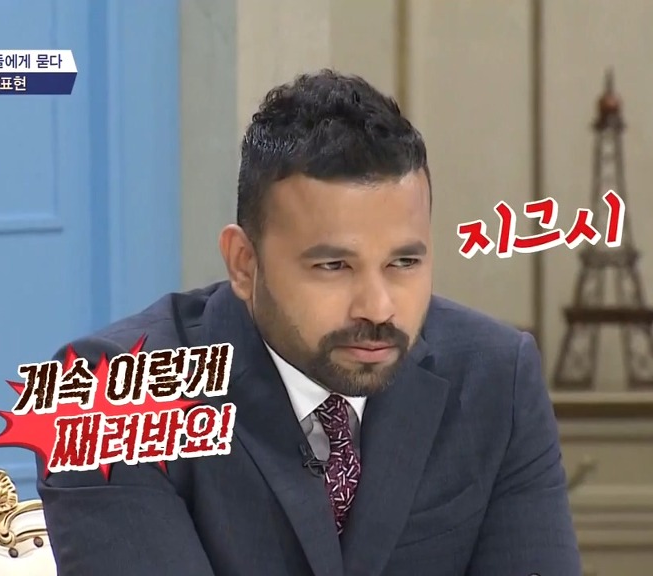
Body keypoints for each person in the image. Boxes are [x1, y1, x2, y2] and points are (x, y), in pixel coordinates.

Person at [37, 69, 582, 576]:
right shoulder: (109, 396)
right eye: (333, 266)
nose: (378, 308)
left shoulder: (495, 377)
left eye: (403, 263)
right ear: (244, 264)